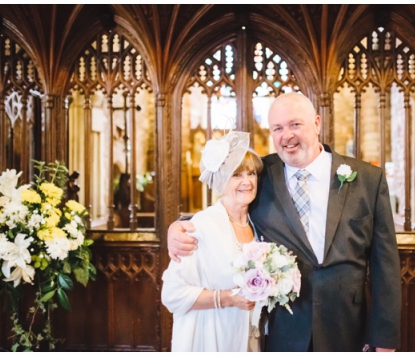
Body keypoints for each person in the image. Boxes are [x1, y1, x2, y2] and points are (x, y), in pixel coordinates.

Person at [168, 93, 401, 351]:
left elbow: (385, 264)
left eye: (295, 125)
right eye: (277, 128)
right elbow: (228, 205)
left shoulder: (367, 179)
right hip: (283, 329)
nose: (286, 135)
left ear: (317, 123)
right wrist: (177, 227)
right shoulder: (260, 174)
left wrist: (384, 339)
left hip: (347, 326)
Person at [162, 131, 262, 352]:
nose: (247, 181)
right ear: (220, 180)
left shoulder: (259, 224)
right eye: (237, 175)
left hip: (252, 337)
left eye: (251, 174)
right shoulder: (202, 225)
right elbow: (171, 294)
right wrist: (228, 298)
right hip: (212, 336)